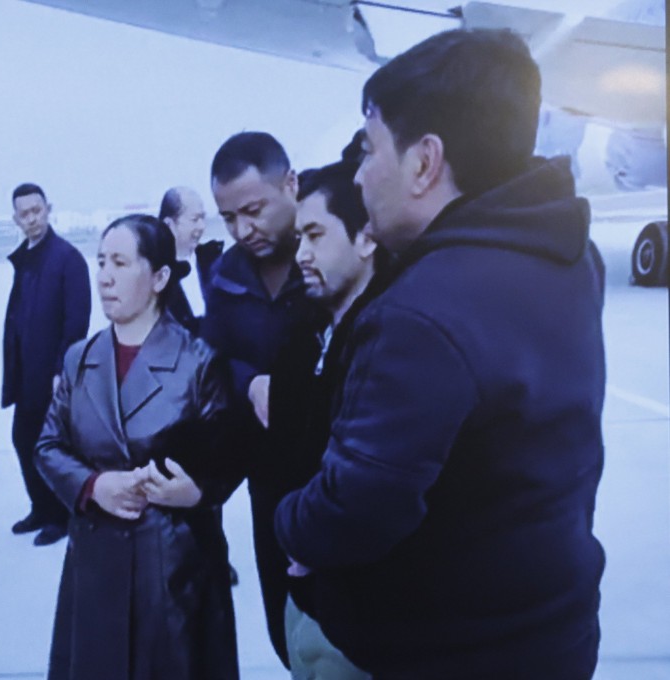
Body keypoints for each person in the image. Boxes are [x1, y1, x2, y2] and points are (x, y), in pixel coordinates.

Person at [275, 29, 606, 679]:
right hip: (551, 633)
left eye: (371, 151)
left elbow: (356, 508)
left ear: (425, 163)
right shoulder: (565, 254)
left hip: (446, 653)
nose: (362, 175)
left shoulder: (419, 315)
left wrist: (291, 525)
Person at [36, 214, 238, 680]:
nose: (104, 276)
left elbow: (227, 457)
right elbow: (48, 444)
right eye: (101, 261)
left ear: (160, 277)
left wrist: (199, 491)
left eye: (121, 263)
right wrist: (93, 485)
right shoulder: (80, 359)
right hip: (96, 562)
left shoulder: (197, 361)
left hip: (172, 569)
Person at [202, 131, 318, 666]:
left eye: (253, 210)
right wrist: (249, 380)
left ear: (289, 184)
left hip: (337, 471)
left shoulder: (334, 245)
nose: (243, 230)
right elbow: (217, 354)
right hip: (267, 478)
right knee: (283, 625)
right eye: (228, 218)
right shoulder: (225, 274)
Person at [268, 159, 384, 680]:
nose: (302, 254)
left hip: (359, 613)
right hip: (305, 592)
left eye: (315, 234)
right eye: (298, 237)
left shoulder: (389, 345)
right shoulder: (307, 331)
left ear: (366, 238)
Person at [3, 183, 91, 546]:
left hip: (52, 373)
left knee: (51, 446)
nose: (31, 219)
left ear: (48, 208)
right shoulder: (24, 258)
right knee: (22, 440)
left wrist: (62, 369)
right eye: (24, 214)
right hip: (25, 371)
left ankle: (60, 516)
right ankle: (40, 507)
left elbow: (76, 321)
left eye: (36, 210)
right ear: (15, 218)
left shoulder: (67, 258)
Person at [158, 186, 223, 334]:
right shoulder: (153, 275)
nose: (202, 226)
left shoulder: (216, 262)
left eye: (202, 218)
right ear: (169, 224)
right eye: (194, 219)